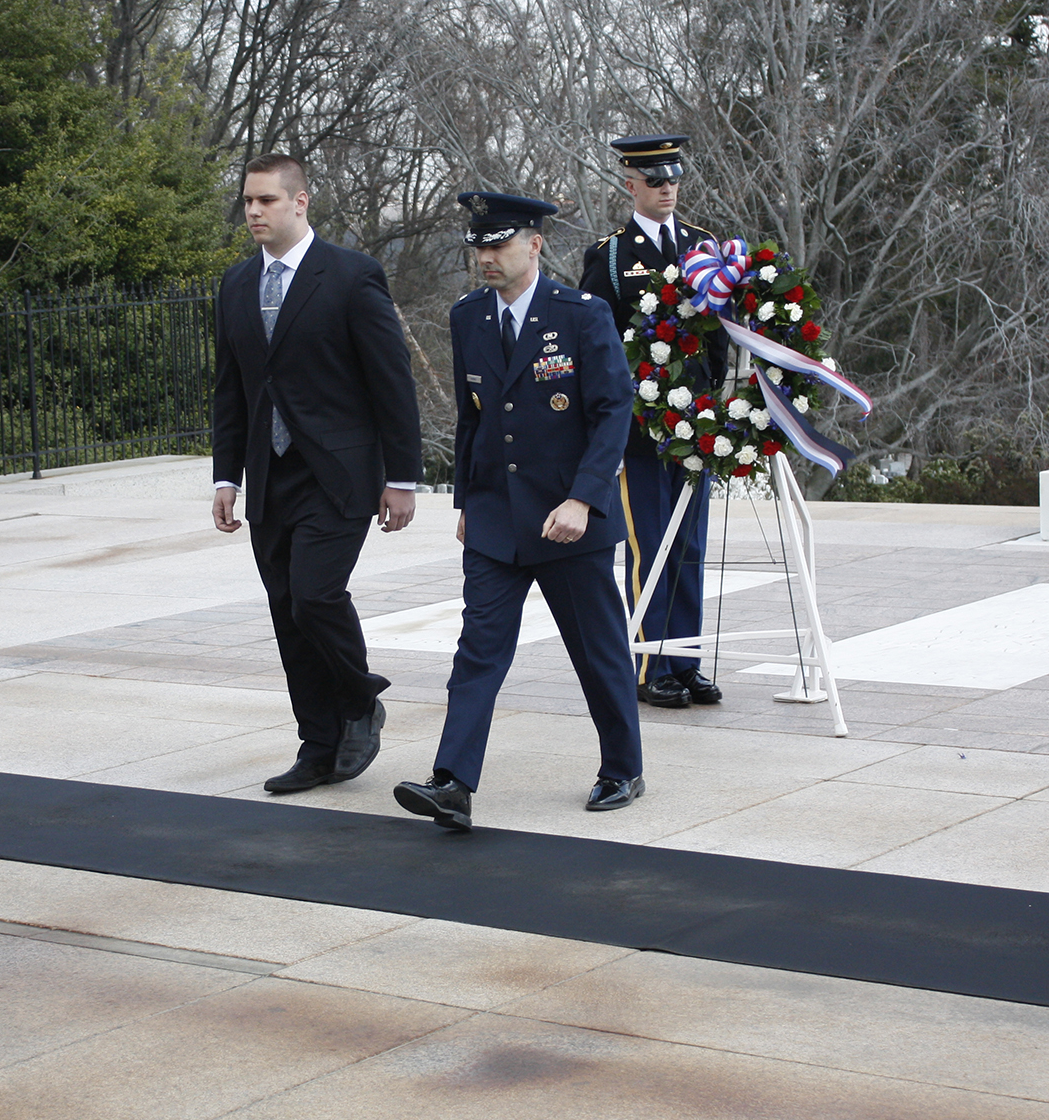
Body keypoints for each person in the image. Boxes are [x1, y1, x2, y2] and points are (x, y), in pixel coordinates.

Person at [393, 192, 643, 832]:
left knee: (598, 650)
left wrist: (584, 499)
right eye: (478, 247)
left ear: (534, 244)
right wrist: (467, 501)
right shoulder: (468, 316)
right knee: (478, 649)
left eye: (499, 245)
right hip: (497, 517)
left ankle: (622, 766)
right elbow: (475, 416)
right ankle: (452, 781)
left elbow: (614, 413)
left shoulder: (582, 315)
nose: (486, 258)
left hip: (569, 518)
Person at [211, 154, 425, 794]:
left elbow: (393, 383)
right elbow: (231, 391)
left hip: (338, 474)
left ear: (301, 202)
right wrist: (226, 477)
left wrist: (403, 478)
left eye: (267, 201)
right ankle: (318, 741)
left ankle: (361, 699)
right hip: (268, 475)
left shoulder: (352, 276)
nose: (254, 211)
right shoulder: (235, 285)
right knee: (286, 611)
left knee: (315, 595)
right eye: (248, 201)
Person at [579, 134, 722, 710]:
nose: (667, 188)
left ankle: (683, 660)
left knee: (689, 542)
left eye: (673, 178)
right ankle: (648, 663)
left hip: (699, 423)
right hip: (640, 427)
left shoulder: (704, 246)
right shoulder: (611, 255)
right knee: (650, 543)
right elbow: (595, 339)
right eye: (654, 180)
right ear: (631, 184)